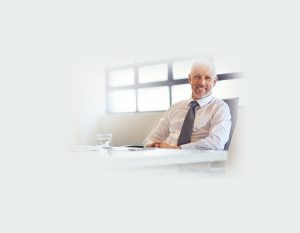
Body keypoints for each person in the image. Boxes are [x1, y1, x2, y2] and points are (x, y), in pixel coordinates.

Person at [143, 58, 231, 150]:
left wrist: (176, 149)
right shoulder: (175, 108)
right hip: (166, 159)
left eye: (207, 78)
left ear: (214, 82)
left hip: (196, 162)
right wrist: (152, 145)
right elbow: (152, 138)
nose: (202, 82)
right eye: (197, 77)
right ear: (189, 79)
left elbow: (217, 142)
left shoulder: (220, 108)